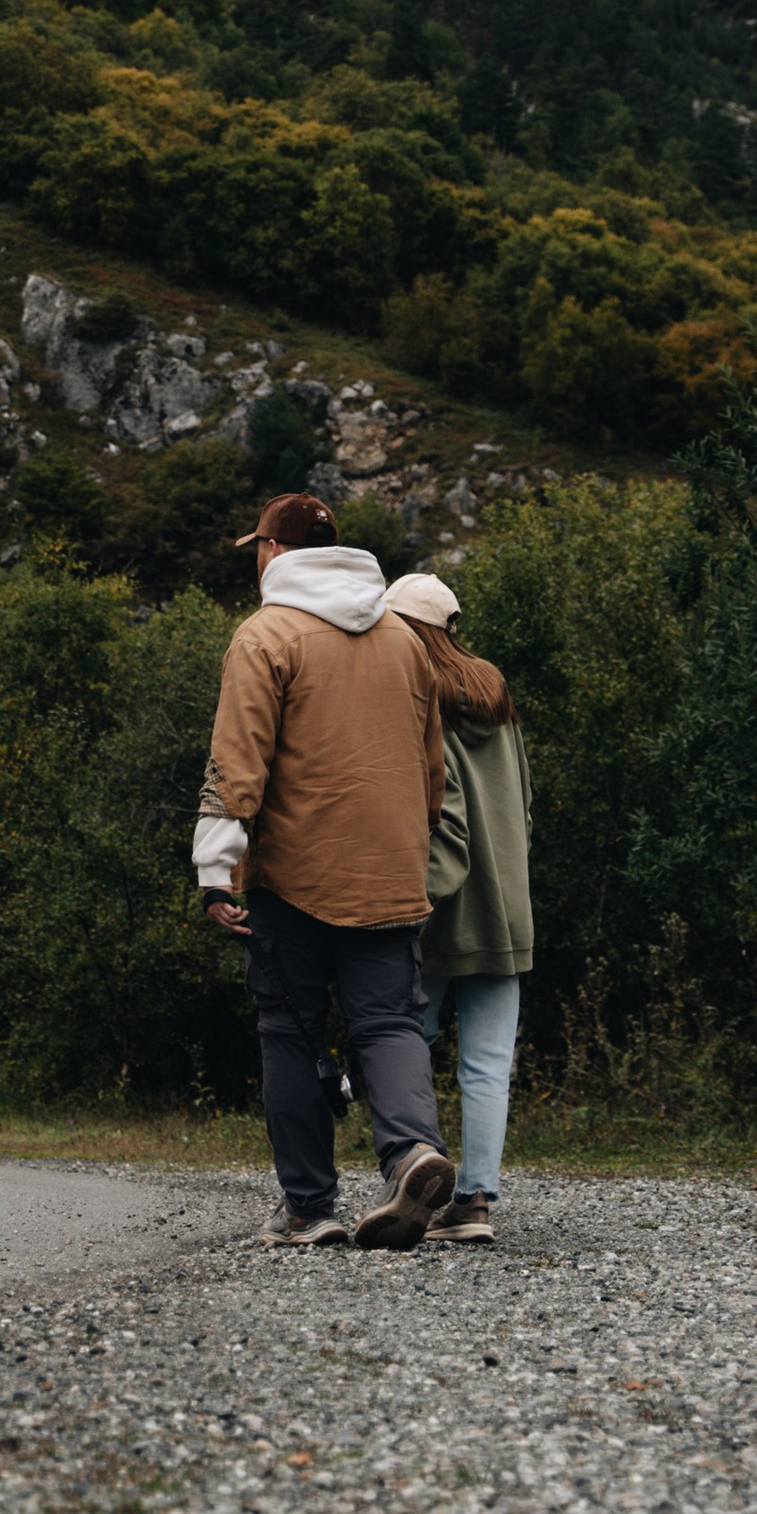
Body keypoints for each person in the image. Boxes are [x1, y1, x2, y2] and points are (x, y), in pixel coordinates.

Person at [195, 493, 457, 1251]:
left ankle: (310, 1207)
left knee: (290, 1029)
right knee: (390, 1021)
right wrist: (416, 843)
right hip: (391, 867)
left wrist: (216, 868)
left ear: (275, 554)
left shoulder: (266, 635)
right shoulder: (404, 640)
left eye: (256, 546)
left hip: (294, 874)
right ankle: (412, 1153)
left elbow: (236, 761)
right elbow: (431, 765)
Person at [384, 570, 532, 1249]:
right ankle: (474, 1200)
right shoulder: (494, 693)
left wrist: (407, 900)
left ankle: (409, 1165)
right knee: (488, 1061)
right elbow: (521, 806)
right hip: (507, 906)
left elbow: (439, 818)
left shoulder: (416, 696)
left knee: (401, 1033)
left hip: (442, 904)